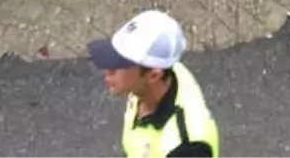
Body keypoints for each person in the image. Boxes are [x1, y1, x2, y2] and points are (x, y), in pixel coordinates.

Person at [88, 10, 220, 158]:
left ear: (153, 75)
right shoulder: (149, 81)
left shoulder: (186, 146)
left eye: (119, 64)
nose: (107, 71)